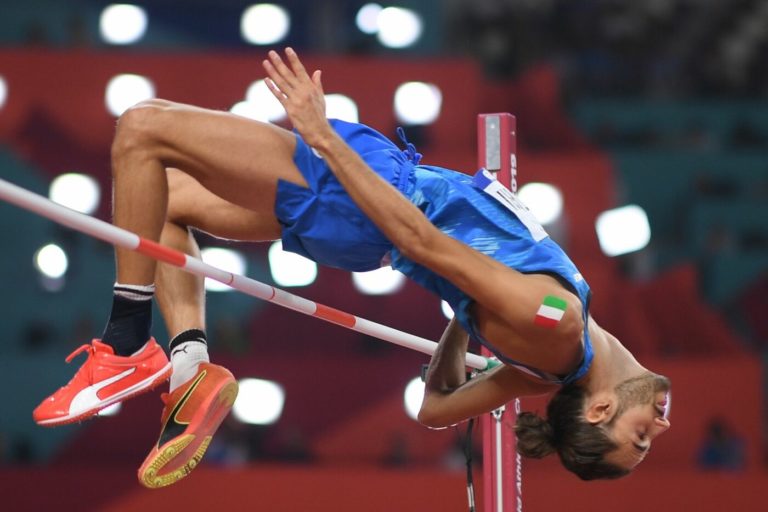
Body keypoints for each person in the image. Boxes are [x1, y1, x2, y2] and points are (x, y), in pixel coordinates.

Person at [33, 48, 671, 486]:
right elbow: (435, 411)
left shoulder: (554, 323)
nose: (660, 426)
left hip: (367, 199)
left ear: (599, 410)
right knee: (160, 204)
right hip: (368, 217)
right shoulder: (544, 365)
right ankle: (190, 366)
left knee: (142, 128)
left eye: (640, 437)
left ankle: (124, 345)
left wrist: (323, 137)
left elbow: (421, 239)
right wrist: (466, 316)